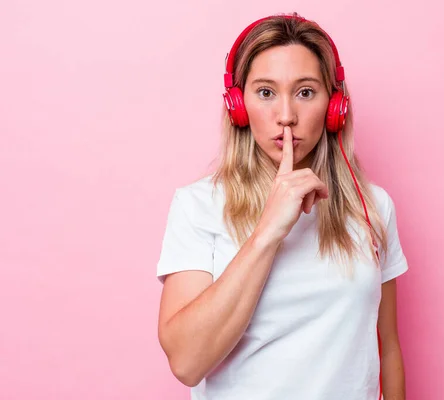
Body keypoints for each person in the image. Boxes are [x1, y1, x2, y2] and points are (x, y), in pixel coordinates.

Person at [156, 12, 409, 400]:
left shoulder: (373, 206)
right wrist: (268, 231)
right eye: (266, 92)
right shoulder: (197, 206)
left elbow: (388, 346)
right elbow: (187, 362)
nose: (286, 116)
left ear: (334, 105)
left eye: (305, 92)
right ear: (238, 106)